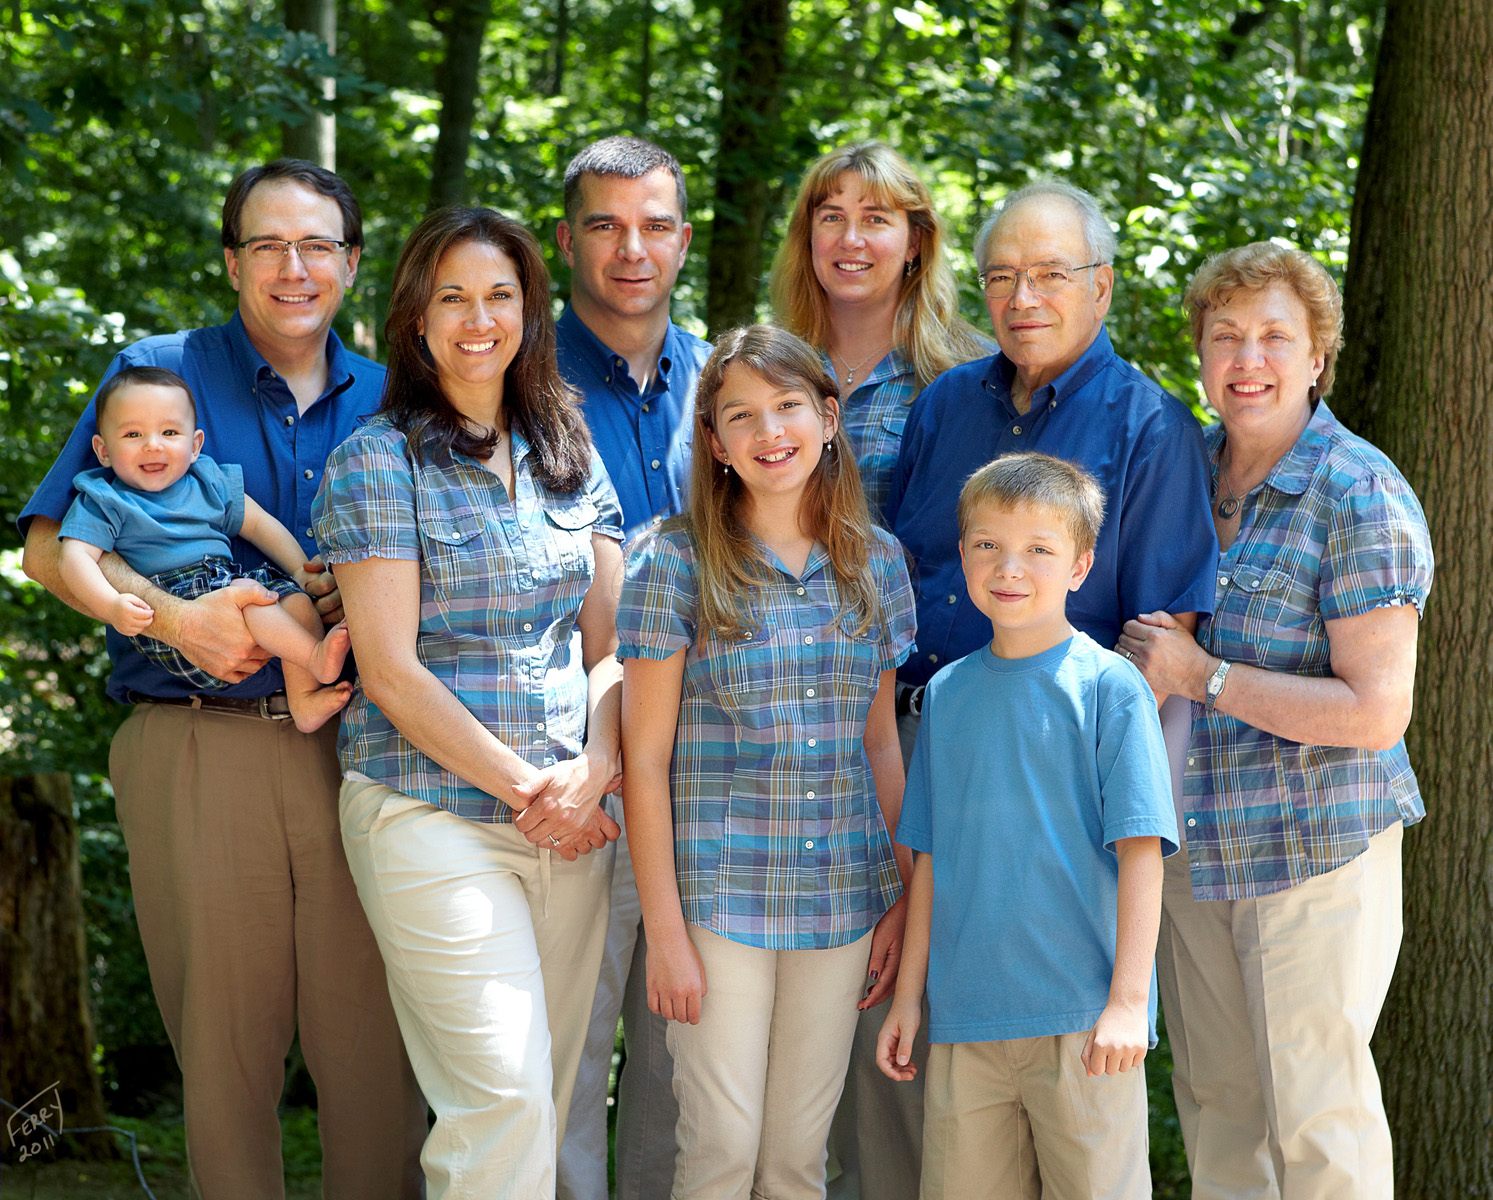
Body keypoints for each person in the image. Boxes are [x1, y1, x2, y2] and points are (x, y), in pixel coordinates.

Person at [19, 159, 425, 1199]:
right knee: (226, 1054)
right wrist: (178, 620)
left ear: (352, 262)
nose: (295, 268)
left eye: (318, 245)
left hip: (370, 748)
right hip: (197, 743)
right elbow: (48, 550)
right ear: (231, 258)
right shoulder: (157, 377)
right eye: (267, 244)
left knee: (375, 1050)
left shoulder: (394, 400)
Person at [877, 178, 1218, 1192]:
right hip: (930, 743)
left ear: (1101, 287)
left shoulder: (1147, 423)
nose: (1022, 295)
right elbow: (903, 570)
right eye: (1001, 276)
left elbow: (1164, 632)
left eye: (1049, 274)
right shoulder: (943, 403)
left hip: (1064, 782)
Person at [313, 205, 625, 1199]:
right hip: (429, 812)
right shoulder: (379, 459)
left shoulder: (570, 451)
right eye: (452, 297)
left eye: (500, 295)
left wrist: (598, 768)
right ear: (415, 318)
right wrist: (535, 787)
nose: (477, 317)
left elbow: (612, 642)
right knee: (499, 1097)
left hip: (570, 818)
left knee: (555, 1097)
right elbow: (392, 671)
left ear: (532, 312)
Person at [1118, 243, 1434, 1200]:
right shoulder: (1184, 474)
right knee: (1219, 1117)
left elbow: (1377, 713)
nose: (1245, 358)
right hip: (1193, 856)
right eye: (1224, 337)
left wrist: (1202, 674)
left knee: (1318, 1122)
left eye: (1272, 338)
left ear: (1315, 358)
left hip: (1314, 855)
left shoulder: (1356, 490)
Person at [618, 325, 916, 1200]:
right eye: (739, 415)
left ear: (828, 418)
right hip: (716, 900)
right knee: (719, 1148)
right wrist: (665, 936)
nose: (767, 431)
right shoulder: (675, 563)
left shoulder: (877, 563)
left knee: (794, 1159)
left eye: (787, 406)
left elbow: (880, 743)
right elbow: (644, 763)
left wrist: (900, 896)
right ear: (712, 441)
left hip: (841, 897)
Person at [876, 453, 1178, 1200]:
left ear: (1078, 566)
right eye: (987, 545)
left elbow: (1142, 854)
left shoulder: (1111, 688)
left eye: (1038, 549)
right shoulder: (945, 694)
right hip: (966, 1019)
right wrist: (910, 999)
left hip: (1082, 1020)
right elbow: (934, 864)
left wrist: (1128, 1003)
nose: (1009, 568)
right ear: (963, 556)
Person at [552, 135, 711, 1200]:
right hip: (564, 765)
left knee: (681, 1058)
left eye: (653, 225)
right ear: (565, 240)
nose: (630, 249)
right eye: (604, 225)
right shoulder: (512, 371)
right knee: (558, 1049)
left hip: (709, 763)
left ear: (683, 241)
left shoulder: (727, 382)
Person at [59, 366, 353, 733]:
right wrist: (110, 605)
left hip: (223, 579)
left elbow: (259, 524)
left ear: (195, 445)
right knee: (250, 600)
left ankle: (303, 700)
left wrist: (297, 571)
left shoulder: (207, 479)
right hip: (174, 600)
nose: (153, 444)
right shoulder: (105, 497)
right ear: (103, 450)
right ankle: (313, 656)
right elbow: (74, 557)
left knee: (295, 602)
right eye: (133, 433)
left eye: (169, 432)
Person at [769, 140, 988, 519]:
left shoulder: (972, 373)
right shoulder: (771, 368)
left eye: (875, 219)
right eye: (832, 218)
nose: (850, 239)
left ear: (914, 242)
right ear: (809, 238)